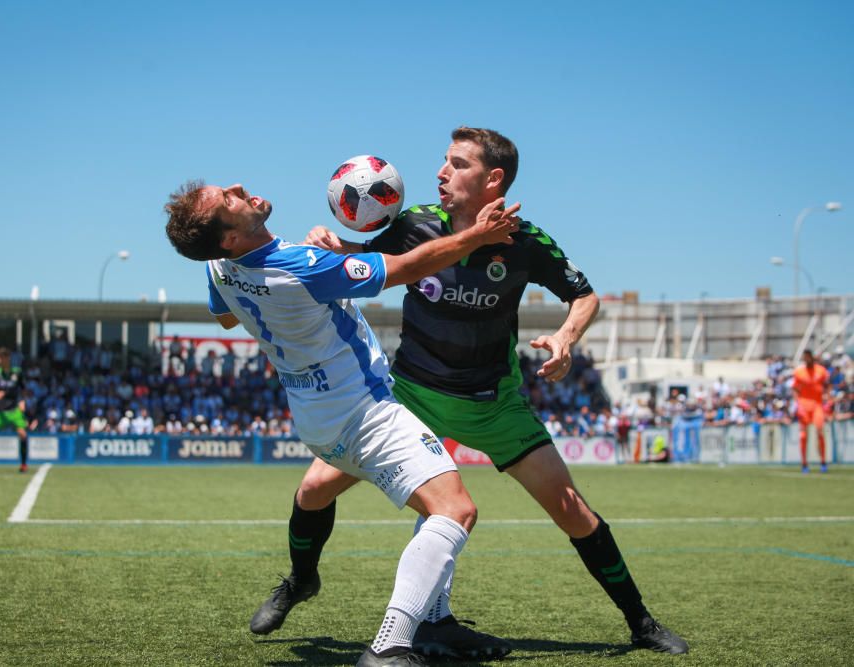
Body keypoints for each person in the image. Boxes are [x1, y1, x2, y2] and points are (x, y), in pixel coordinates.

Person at [277, 127, 688, 657]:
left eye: (457, 164)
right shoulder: (412, 226)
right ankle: (298, 581)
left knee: (573, 512)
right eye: (443, 163)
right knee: (314, 489)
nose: (441, 173)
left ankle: (642, 623)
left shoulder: (527, 243)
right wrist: (331, 245)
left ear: (493, 179)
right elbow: (360, 263)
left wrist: (565, 338)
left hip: (493, 404)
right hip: (411, 397)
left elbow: (584, 297)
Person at [164, 176, 518, 666]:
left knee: (315, 493)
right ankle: (390, 645)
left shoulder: (219, 267)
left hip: (315, 419)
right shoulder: (298, 266)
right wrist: (476, 236)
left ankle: (323, 586)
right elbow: (405, 268)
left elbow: (227, 318)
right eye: (228, 198)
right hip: (365, 412)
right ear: (229, 236)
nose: (239, 186)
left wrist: (306, 291)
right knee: (454, 510)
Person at [792, 349, 829, 473]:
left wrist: (828, 400)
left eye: (809, 357)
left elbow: (828, 385)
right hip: (803, 405)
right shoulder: (799, 372)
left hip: (817, 405)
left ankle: (823, 462)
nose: (807, 359)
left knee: (820, 431)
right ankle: (804, 464)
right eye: (805, 357)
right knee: (803, 435)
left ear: (812, 357)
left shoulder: (821, 370)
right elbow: (795, 389)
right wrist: (798, 405)